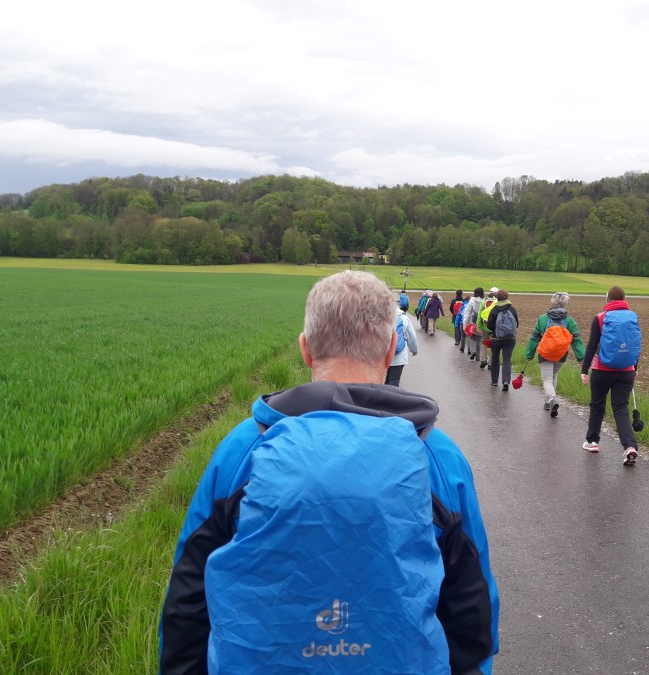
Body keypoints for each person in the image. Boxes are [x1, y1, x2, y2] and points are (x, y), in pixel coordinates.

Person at [160, 271, 499, 673]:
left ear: (305, 350)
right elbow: (472, 611)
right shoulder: (436, 456)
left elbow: (187, 601)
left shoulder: (243, 450)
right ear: (392, 348)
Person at [580, 286, 641, 466]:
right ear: (624, 299)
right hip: (626, 371)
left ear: (607, 299)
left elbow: (592, 346)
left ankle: (592, 441)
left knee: (597, 404)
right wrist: (635, 367)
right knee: (621, 408)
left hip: (602, 369)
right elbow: (635, 344)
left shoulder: (600, 318)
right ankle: (629, 446)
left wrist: (584, 370)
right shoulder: (632, 317)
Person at [525, 292, 586, 417]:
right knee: (554, 375)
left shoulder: (543, 319)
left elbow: (534, 338)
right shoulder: (569, 321)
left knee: (547, 379)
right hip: (561, 354)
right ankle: (548, 401)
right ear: (565, 305)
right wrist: (581, 358)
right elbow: (577, 340)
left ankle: (551, 399)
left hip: (545, 353)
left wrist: (529, 354)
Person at [486, 289, 519, 391]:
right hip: (510, 339)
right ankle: (505, 381)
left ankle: (495, 381)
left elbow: (489, 325)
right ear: (507, 297)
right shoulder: (512, 309)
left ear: (497, 298)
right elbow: (517, 324)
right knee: (507, 360)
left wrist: (495, 331)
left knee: (495, 359)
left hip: (496, 338)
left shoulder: (494, 309)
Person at [385, 306, 419, 386]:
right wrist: (414, 350)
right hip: (399, 356)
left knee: (384, 381)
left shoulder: (379, 317)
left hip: (383, 355)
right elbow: (412, 336)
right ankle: (391, 397)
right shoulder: (403, 318)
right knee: (394, 381)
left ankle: (384, 397)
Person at [475, 287, 499, 369]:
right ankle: (491, 363)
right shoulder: (498, 303)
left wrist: (479, 327)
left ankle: (483, 360)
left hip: (485, 327)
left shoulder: (484, 302)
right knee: (494, 345)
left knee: (483, 343)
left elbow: (479, 316)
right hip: (495, 328)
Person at [463, 287, 485, 360]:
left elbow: (467, 313)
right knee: (479, 339)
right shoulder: (484, 300)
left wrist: (465, 325)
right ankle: (478, 357)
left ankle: (473, 352)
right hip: (481, 322)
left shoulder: (472, 300)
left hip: (473, 321)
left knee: (472, 337)